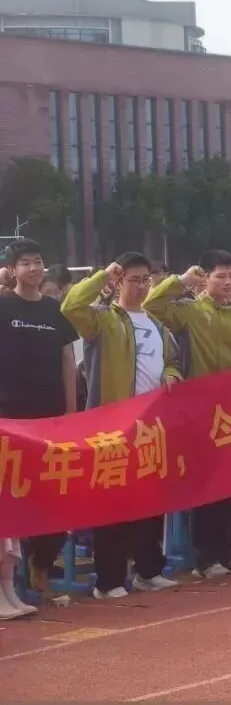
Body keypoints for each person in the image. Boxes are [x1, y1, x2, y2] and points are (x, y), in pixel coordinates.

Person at [61, 252, 183, 598]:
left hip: (150, 427)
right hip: (112, 426)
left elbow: (173, 361)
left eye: (146, 279)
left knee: (150, 500)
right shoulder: (101, 320)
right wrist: (102, 275)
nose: (142, 286)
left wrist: (172, 373)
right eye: (134, 279)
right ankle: (109, 580)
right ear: (119, 282)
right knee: (112, 503)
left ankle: (148, 569)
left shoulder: (158, 325)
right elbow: (70, 306)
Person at [143, 251, 231, 578]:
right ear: (205, 279)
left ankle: (224, 549)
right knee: (208, 487)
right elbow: (152, 306)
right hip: (199, 413)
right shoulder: (190, 312)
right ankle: (206, 558)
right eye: (220, 276)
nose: (227, 282)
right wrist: (179, 280)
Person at [0, 240, 79, 595]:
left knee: (53, 494)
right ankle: (8, 582)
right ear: (13, 269)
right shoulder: (3, 306)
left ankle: (41, 561)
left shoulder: (54, 310)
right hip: (9, 416)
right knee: (12, 496)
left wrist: (71, 409)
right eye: (25, 263)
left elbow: (67, 359)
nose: (33, 268)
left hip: (50, 417)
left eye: (38, 261)